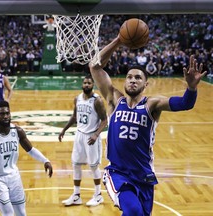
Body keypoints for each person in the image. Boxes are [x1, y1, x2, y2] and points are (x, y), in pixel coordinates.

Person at [89, 35, 207, 215]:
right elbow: (95, 66)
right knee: (133, 211)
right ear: (125, 81)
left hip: (143, 176)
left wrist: (191, 89)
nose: (133, 80)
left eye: (138, 77)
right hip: (117, 173)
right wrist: (119, 40)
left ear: (146, 84)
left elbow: (185, 104)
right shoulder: (114, 99)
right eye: (129, 77)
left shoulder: (152, 104)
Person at [0, 100, 53, 216]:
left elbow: (30, 150)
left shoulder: (17, 131)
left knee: (21, 213)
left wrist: (45, 160)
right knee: (8, 213)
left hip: (14, 176)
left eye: (7, 113)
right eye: (1, 114)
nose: (6, 116)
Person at [58, 75, 108, 207]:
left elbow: (104, 121)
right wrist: (64, 129)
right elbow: (74, 116)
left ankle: (98, 195)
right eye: (85, 83)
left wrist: (96, 135)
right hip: (79, 135)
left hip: (91, 136)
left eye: (89, 83)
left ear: (93, 85)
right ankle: (76, 195)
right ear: (82, 84)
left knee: (93, 166)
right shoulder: (78, 98)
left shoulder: (97, 101)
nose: (86, 85)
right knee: (76, 164)